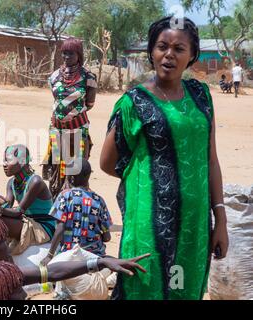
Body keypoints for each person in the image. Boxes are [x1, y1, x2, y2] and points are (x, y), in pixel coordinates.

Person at [100, 16, 229, 300]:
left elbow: (210, 160)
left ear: (192, 55)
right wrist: (153, 178)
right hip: (149, 222)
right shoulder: (135, 102)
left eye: (178, 48)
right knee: (145, 287)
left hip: (194, 223)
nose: (169, 54)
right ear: (151, 51)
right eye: (161, 46)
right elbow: (107, 163)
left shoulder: (200, 95)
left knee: (186, 287)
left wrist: (220, 219)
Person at [0, 216, 150, 300]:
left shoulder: (5, 272)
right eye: (1, 244)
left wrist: (100, 262)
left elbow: (52, 272)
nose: (7, 247)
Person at [42, 38, 98, 199]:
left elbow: (90, 103)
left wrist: (72, 115)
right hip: (56, 129)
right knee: (56, 169)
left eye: (70, 53)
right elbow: (56, 100)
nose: (66, 56)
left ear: (78, 54)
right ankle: (56, 205)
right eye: (64, 53)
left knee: (75, 170)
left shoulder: (88, 77)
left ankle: (74, 207)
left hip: (78, 130)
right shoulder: (54, 76)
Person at [0, 254, 150, 300]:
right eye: (14, 290)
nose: (23, 293)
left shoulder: (3, 276)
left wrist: (100, 262)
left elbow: (52, 272)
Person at [41, 158, 112, 266]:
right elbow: (107, 238)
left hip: (69, 254)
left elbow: (60, 228)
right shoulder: (99, 201)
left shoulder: (64, 196)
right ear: (88, 176)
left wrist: (50, 255)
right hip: (94, 255)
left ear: (71, 178)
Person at [0, 145, 56, 255]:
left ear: (21, 162)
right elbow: (8, 205)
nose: (4, 165)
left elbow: (18, 212)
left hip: (43, 227)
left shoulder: (35, 182)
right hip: (28, 221)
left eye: (9, 160)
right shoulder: (12, 183)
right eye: (4, 160)